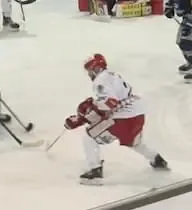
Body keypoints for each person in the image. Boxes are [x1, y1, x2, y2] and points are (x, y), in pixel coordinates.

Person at [63, 53, 168, 183]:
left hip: (124, 118)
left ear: (96, 68)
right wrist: (90, 112)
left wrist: (89, 110)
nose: (89, 74)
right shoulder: (113, 76)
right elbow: (112, 104)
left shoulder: (100, 81)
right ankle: (157, 160)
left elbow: (110, 103)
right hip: (138, 115)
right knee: (134, 142)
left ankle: (95, 171)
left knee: (89, 137)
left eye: (90, 70)